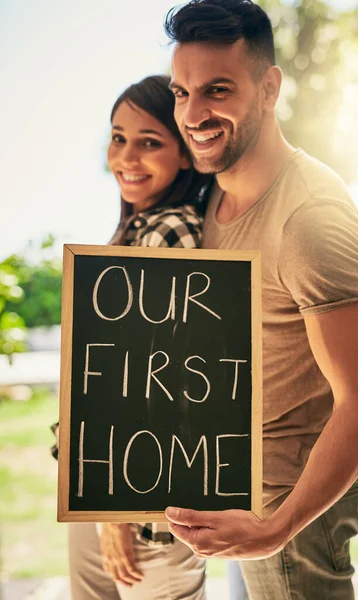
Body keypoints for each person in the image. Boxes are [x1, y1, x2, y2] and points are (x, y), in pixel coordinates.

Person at [161, 1, 358, 598]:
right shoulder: (209, 198)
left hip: (289, 515)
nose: (194, 112)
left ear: (269, 88)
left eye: (217, 89)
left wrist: (274, 529)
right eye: (181, 92)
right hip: (235, 501)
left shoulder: (309, 219)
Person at [53, 74, 211, 600]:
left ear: (186, 155)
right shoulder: (132, 232)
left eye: (149, 142)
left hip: (139, 508)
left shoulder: (170, 231)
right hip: (97, 491)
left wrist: (112, 510)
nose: (127, 156)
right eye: (118, 138)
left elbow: (149, 381)